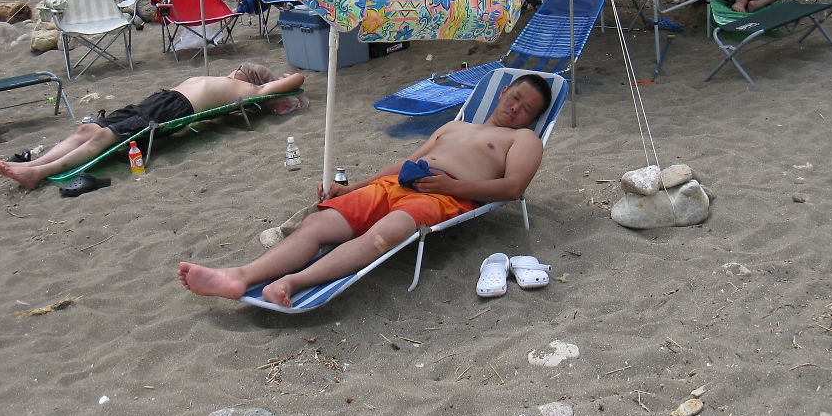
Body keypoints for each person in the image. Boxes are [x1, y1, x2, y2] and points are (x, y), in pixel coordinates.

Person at [178, 73, 553, 308]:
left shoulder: (523, 140)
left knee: (382, 236)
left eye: (527, 109)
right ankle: (240, 276)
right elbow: (404, 162)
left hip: (443, 195)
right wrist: (351, 188)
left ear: (533, 119)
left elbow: (513, 188)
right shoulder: (454, 127)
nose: (516, 109)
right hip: (399, 182)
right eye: (515, 98)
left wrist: (452, 186)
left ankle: (293, 282)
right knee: (317, 225)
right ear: (504, 92)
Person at [0, 64, 305, 191]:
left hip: (175, 109)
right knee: (88, 130)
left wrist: (276, 78)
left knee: (103, 136)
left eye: (242, 69)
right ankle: (31, 164)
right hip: (158, 100)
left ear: (250, 76)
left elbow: (297, 79)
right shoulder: (225, 80)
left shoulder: (249, 90)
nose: (236, 70)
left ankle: (39, 172)